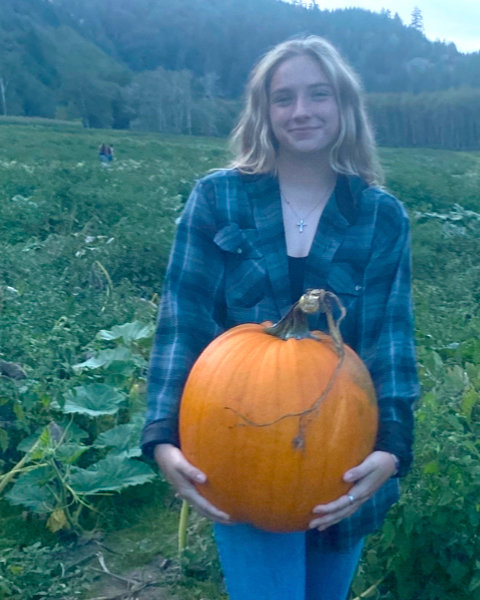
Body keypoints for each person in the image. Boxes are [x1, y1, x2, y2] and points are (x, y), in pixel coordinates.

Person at [141, 35, 419, 600]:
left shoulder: (380, 216)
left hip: (343, 461)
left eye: (319, 94)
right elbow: (183, 322)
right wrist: (162, 437)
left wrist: (392, 446)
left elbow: (392, 340)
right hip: (238, 453)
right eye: (283, 97)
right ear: (263, 112)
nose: (302, 111)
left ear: (344, 106)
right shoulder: (218, 199)